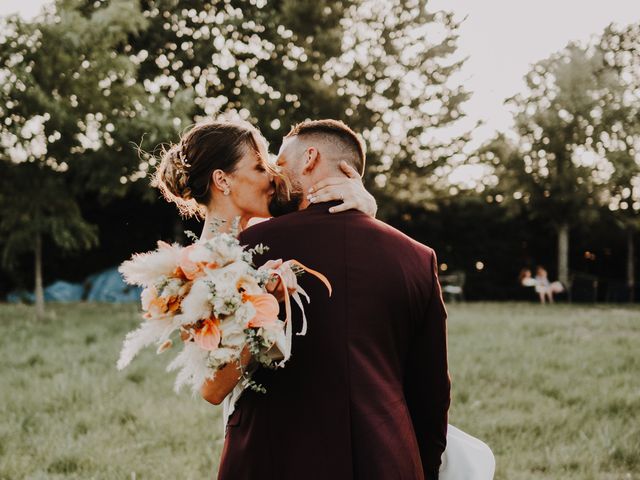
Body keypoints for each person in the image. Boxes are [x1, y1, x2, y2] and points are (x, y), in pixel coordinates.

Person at [155, 119, 495, 479]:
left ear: (309, 159)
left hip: (271, 457)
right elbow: (432, 393)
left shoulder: (247, 250)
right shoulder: (416, 257)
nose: (273, 178)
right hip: (387, 459)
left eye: (278, 165)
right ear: (222, 180)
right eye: (262, 168)